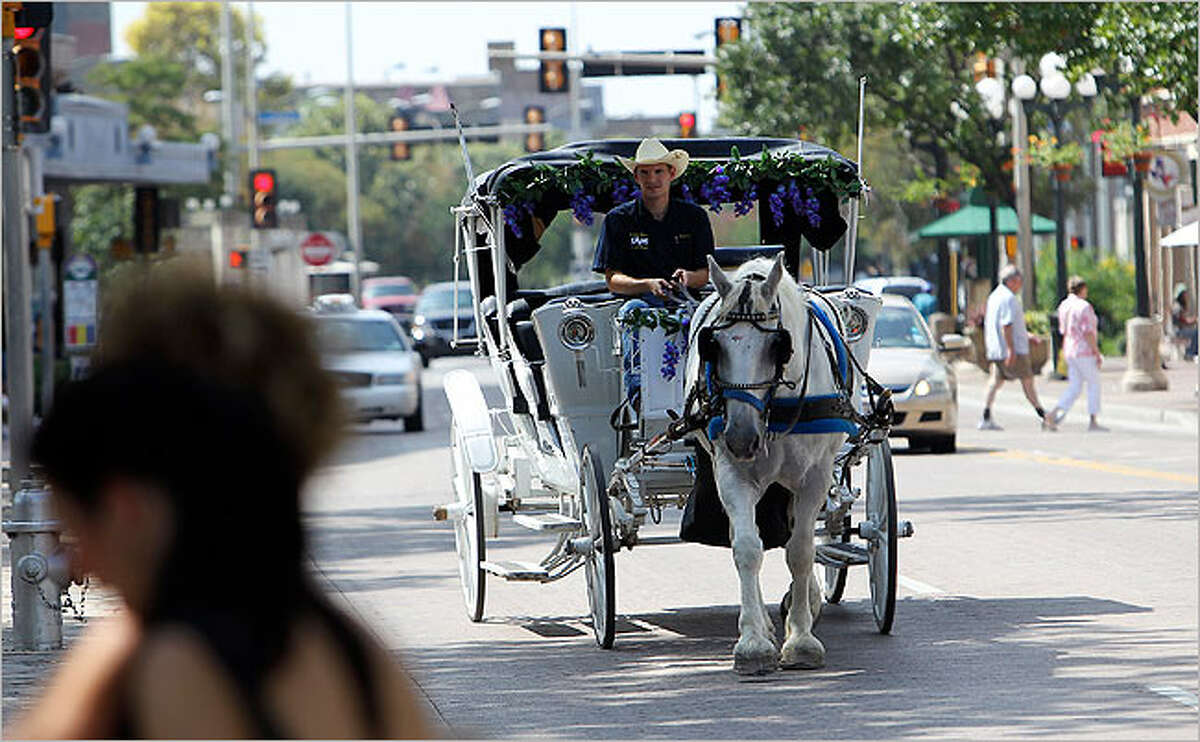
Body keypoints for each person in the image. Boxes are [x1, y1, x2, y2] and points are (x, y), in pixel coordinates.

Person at [16, 262, 433, 739]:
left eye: (80, 530)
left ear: (128, 509)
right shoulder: (356, 657)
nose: (79, 564)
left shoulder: (162, 663)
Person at [592, 137, 715, 395]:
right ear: (636, 177)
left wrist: (687, 278)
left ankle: (709, 390)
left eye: (658, 171)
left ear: (671, 174)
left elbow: (704, 274)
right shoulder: (618, 220)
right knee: (634, 313)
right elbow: (612, 279)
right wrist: (647, 284)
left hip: (686, 303)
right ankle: (638, 395)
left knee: (710, 321)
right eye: (645, 173)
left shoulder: (694, 217)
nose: (652, 179)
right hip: (640, 303)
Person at [979, 264, 1056, 431]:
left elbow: (1006, 325)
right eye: (1019, 281)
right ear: (1012, 281)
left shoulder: (994, 296)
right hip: (1013, 350)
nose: (1020, 285)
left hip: (996, 349)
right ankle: (1043, 415)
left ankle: (985, 415)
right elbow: (1006, 325)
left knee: (995, 381)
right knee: (1028, 382)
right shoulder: (1009, 299)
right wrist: (1011, 350)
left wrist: (1027, 336)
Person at [1047, 276, 1105, 431]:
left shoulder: (1064, 305)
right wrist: (1096, 351)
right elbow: (1088, 332)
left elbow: (1062, 329)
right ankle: (1093, 419)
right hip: (1084, 350)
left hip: (1069, 349)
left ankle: (1054, 413)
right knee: (1093, 383)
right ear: (1083, 289)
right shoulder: (1084, 306)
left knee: (1075, 387)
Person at [1171, 282, 1198, 360]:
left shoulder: (1179, 306)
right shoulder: (1176, 306)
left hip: (1180, 329)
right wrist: (1194, 320)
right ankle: (1190, 353)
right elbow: (1182, 320)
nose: (1186, 296)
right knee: (1196, 333)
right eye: (1184, 294)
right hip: (1177, 331)